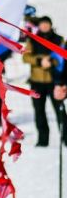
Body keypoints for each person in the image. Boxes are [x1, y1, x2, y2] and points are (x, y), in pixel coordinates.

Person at [23, 14, 65, 146]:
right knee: (39, 112)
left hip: (55, 82)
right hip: (37, 82)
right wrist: (40, 60)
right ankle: (43, 140)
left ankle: (66, 138)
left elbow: (63, 57)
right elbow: (25, 57)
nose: (45, 26)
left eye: (47, 24)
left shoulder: (59, 40)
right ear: (39, 26)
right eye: (42, 24)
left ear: (51, 25)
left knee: (60, 111)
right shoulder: (33, 39)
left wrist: (52, 61)